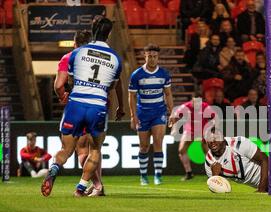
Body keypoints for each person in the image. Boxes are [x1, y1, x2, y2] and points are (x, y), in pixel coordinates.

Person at [41, 16, 122, 197]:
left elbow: (68, 80)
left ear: (93, 31)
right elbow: (112, 86)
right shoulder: (116, 59)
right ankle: (81, 188)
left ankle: (54, 168)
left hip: (76, 104)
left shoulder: (77, 53)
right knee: (95, 150)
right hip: (98, 106)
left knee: (66, 149)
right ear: (109, 34)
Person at [129, 43, 174, 186]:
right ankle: (143, 176)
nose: (152, 59)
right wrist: (133, 115)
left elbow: (168, 94)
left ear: (158, 57)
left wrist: (171, 112)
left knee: (158, 144)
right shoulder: (137, 75)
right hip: (142, 114)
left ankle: (158, 175)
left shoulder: (164, 74)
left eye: (155, 56)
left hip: (159, 112)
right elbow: (131, 97)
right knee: (143, 146)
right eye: (150, 56)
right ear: (145, 56)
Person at [204, 129, 269, 192]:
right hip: (263, 186)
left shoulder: (239, 143)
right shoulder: (209, 161)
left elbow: (265, 160)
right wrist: (215, 175)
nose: (212, 141)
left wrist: (261, 189)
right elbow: (214, 188)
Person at [169, 97, 215, 181]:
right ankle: (189, 173)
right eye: (196, 102)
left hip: (203, 130)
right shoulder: (185, 107)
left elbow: (215, 118)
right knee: (182, 150)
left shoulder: (205, 106)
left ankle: (213, 173)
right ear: (191, 102)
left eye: (199, 102)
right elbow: (175, 117)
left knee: (207, 151)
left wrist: (212, 129)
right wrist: (174, 129)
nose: (198, 105)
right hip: (190, 131)